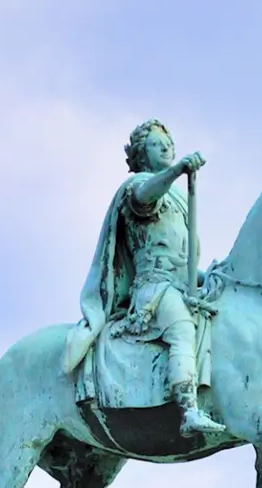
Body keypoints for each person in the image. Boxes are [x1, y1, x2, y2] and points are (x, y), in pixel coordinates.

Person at [64, 118, 225, 436]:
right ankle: (188, 409)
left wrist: (210, 276)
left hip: (178, 284)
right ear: (141, 154)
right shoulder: (137, 187)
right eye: (155, 143)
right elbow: (145, 198)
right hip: (154, 289)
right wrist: (177, 170)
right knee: (181, 329)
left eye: (169, 141)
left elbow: (183, 265)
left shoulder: (176, 195)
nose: (166, 146)